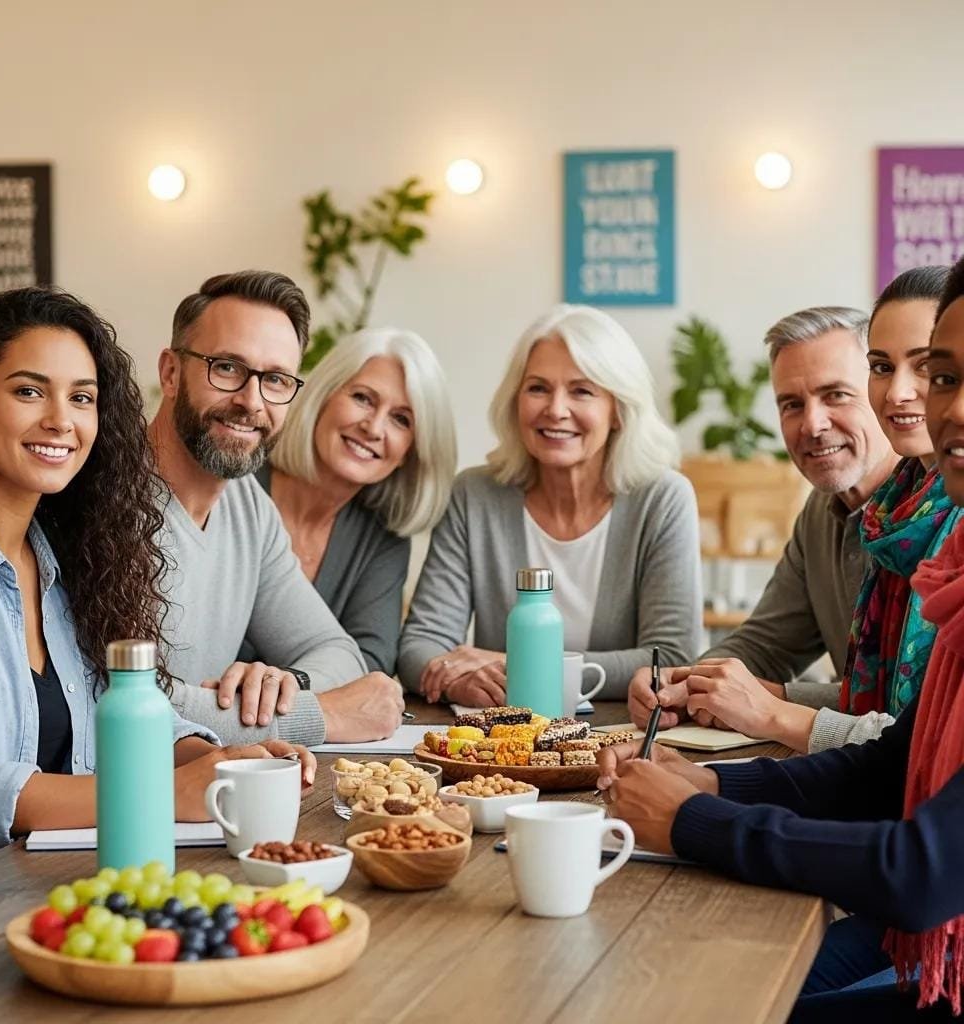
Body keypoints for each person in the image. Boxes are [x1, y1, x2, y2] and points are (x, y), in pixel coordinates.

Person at [597, 256, 964, 1021]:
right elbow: (894, 762)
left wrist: (698, 817)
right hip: (924, 915)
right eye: (945, 378)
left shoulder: (938, 547)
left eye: (924, 371)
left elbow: (920, 868)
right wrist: (714, 784)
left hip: (932, 923)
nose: (922, 401)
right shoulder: (910, 542)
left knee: (701, 996)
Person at [0, 287, 312, 867]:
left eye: (82, 397)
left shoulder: (66, 559)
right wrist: (160, 796)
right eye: (29, 391)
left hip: (56, 879)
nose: (61, 420)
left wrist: (224, 760)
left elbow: (122, 714)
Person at [639, 271, 960, 753]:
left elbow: (923, 713)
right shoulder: (836, 510)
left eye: (835, 395)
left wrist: (778, 701)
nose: (812, 424)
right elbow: (766, 644)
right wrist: (684, 686)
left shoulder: (944, 513)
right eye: (791, 404)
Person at [147, 271, 405, 745]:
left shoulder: (249, 505)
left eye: (276, 379)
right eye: (225, 367)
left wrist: (289, 686)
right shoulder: (104, 501)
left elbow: (335, 651)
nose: (251, 401)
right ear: (170, 373)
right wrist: (320, 715)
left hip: (211, 794)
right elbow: (117, 702)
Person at [398, 303, 701, 706]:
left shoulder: (663, 499)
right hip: (506, 743)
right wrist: (456, 679)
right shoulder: (473, 495)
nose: (556, 410)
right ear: (515, 400)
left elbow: (670, 659)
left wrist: (520, 664)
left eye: (582, 391)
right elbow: (421, 644)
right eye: (538, 388)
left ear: (618, 411)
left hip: (620, 738)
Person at [259, 327, 456, 674]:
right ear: (324, 395)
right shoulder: (236, 485)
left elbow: (370, 664)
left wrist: (285, 692)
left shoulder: (383, 535)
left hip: (304, 726)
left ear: (412, 451)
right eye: (363, 398)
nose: (374, 428)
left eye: (401, 419)